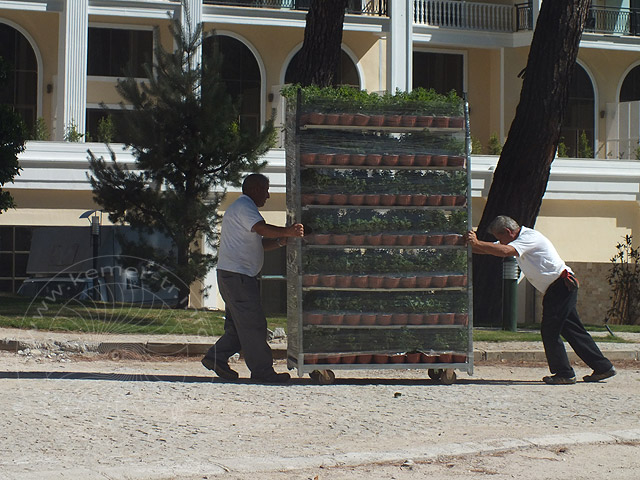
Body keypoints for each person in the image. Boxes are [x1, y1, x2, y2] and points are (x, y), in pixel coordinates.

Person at [465, 215, 616, 385]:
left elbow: (504, 251)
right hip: (557, 288)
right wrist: (470, 245)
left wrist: (477, 243)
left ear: (508, 232)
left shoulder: (529, 237)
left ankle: (564, 373)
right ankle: (603, 367)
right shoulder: (516, 240)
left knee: (550, 331)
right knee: (573, 330)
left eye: (500, 238)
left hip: (561, 286)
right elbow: (491, 249)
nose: (500, 242)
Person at [202, 173, 304, 383]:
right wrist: (289, 232)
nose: (267, 196)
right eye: (266, 190)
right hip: (238, 278)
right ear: (255, 189)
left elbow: (258, 243)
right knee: (254, 325)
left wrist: (280, 242)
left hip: (234, 277)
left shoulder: (244, 208)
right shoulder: (245, 207)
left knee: (240, 327)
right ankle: (263, 372)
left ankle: (216, 357)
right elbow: (261, 229)